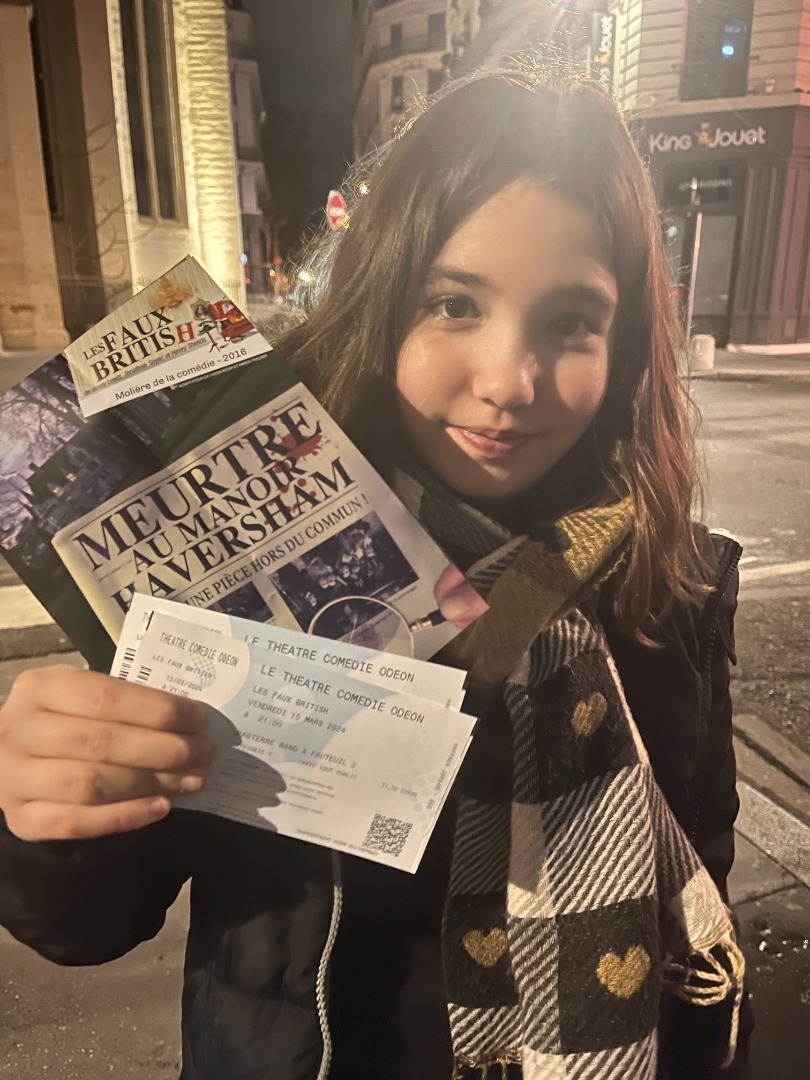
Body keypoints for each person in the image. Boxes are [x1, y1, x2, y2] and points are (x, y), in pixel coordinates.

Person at [0, 65, 750, 1079]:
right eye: (454, 303)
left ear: (625, 345)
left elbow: (696, 890)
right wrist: (50, 816)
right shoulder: (248, 543)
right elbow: (91, 921)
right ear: (381, 301)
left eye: (572, 321)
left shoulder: (673, 582)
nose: (509, 383)